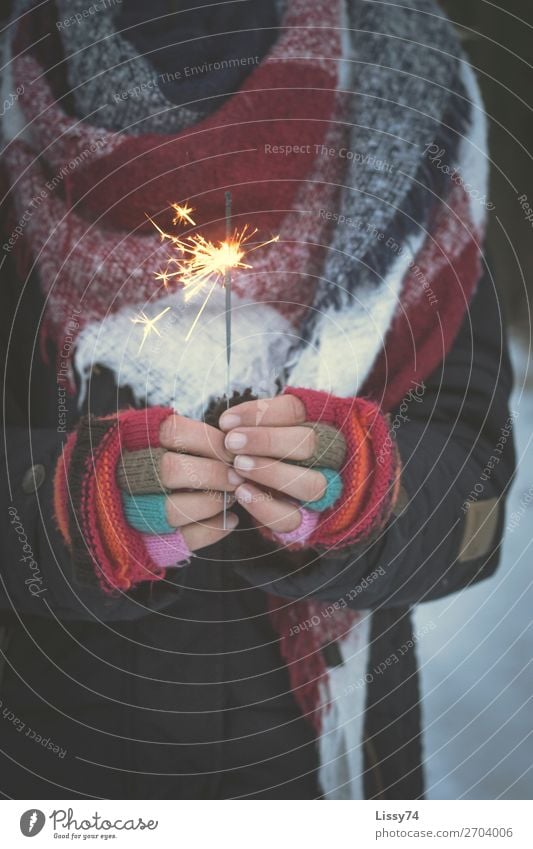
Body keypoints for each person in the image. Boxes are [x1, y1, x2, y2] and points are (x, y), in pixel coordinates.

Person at [0, 0, 516, 799]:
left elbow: (474, 482)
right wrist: (68, 510)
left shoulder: (411, 86)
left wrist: (374, 493)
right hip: (54, 757)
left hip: (328, 758)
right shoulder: (11, 90)